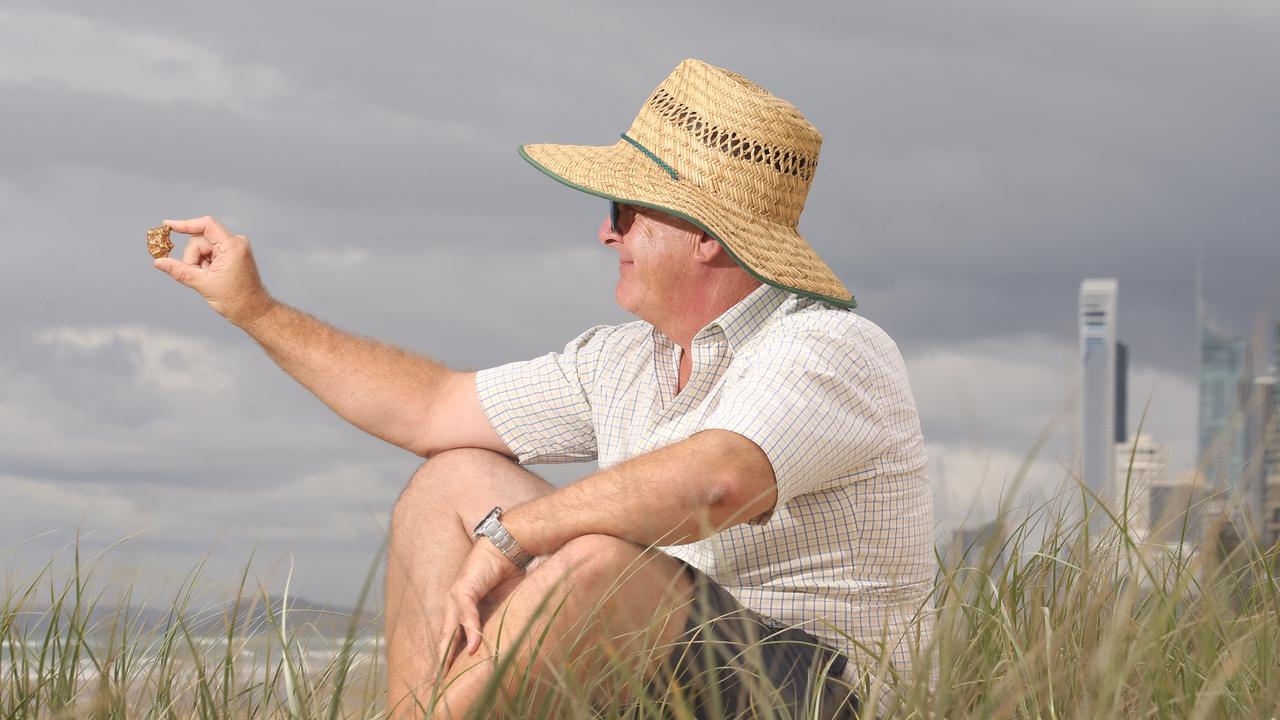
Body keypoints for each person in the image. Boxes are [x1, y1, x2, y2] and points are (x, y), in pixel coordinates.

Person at [154, 58, 936, 719]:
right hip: (676, 671)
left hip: (824, 693)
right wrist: (255, 310)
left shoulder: (829, 347)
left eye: (624, 211)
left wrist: (519, 533)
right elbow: (431, 408)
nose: (607, 234)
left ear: (705, 235)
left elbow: (718, 480)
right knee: (449, 478)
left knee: (593, 557)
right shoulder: (625, 360)